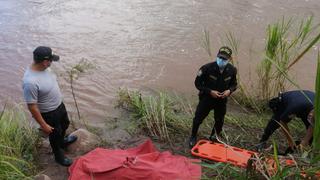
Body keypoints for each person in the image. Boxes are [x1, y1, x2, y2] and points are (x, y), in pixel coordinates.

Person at [22, 46, 77, 166]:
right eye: (51, 60)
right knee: (54, 135)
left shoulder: (45, 68)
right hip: (49, 113)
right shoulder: (30, 82)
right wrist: (43, 125)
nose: (52, 62)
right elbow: (32, 106)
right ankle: (58, 156)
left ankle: (62, 142)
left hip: (59, 105)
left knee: (65, 124)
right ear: (45, 62)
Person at [189, 46, 238, 148]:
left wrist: (229, 91)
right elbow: (197, 84)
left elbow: (234, 84)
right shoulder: (206, 68)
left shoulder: (232, 70)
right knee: (198, 118)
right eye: (220, 57)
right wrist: (209, 91)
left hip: (222, 100)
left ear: (229, 59)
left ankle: (213, 137)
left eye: (224, 59)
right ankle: (193, 136)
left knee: (219, 120)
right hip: (207, 99)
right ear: (217, 56)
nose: (221, 60)